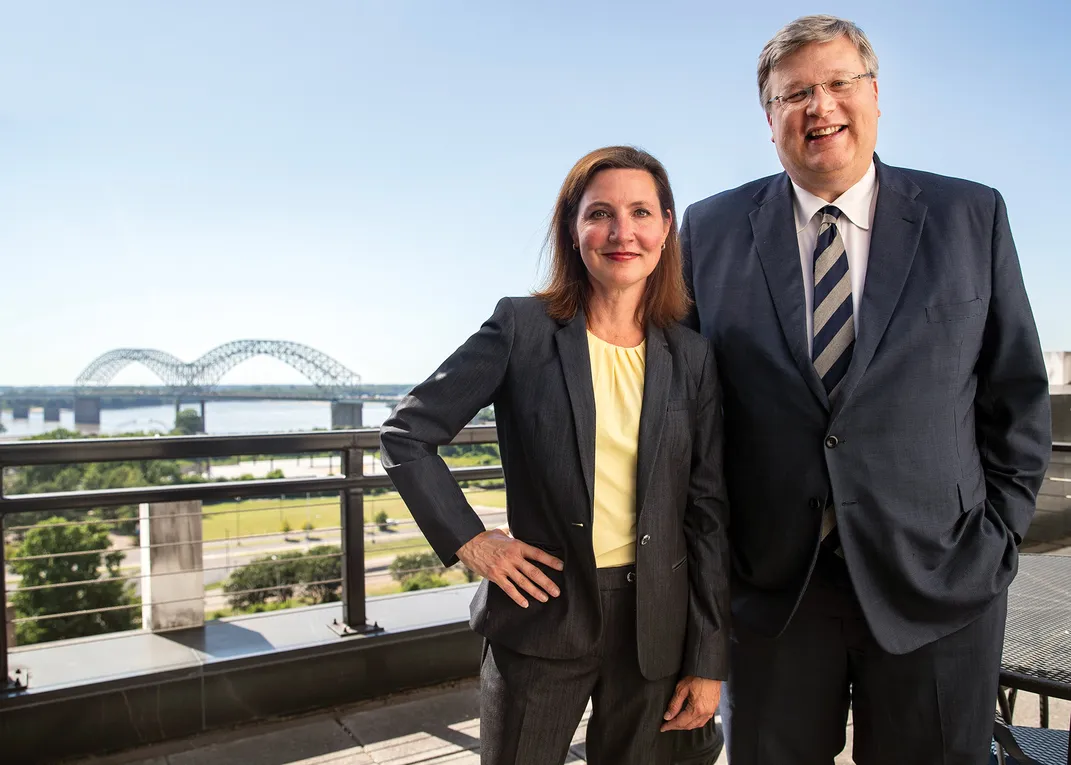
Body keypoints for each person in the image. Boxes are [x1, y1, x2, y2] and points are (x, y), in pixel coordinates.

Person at [678, 14, 1051, 765]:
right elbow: (685, 408)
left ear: (874, 96)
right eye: (795, 94)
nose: (819, 106)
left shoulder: (968, 215)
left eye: (838, 84)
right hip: (776, 591)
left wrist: (995, 538)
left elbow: (1015, 394)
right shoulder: (708, 228)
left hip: (939, 582)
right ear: (769, 119)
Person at [380, 146, 730, 765]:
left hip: (657, 626)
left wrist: (707, 659)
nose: (623, 232)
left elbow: (705, 512)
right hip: (543, 612)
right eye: (600, 214)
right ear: (573, 230)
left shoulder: (690, 355)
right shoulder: (523, 328)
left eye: (641, 212)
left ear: (665, 228)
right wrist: (473, 541)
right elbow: (407, 435)